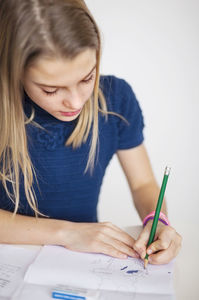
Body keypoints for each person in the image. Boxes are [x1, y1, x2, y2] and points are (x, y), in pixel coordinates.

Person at [0, 0, 181, 265]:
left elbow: (143, 184)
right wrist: (67, 233)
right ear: (13, 71)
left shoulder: (116, 100)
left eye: (87, 78)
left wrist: (158, 221)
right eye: (51, 90)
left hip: (81, 266)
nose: (75, 102)